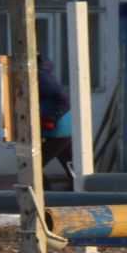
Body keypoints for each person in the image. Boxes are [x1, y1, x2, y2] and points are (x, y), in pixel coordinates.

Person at [35, 52, 74, 187]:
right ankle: (79, 194)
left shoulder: (41, 77)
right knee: (71, 165)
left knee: (33, 166)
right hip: (62, 130)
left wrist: (51, 118)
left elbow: (64, 99)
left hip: (57, 130)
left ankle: (45, 196)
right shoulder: (41, 75)